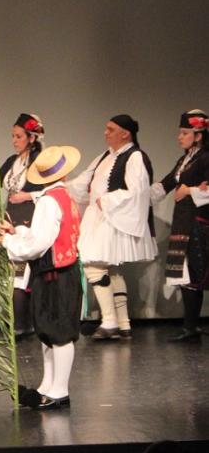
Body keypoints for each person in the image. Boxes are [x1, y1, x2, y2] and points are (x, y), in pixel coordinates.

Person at [0, 145, 83, 410]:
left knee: (59, 332)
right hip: (61, 271)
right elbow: (45, 237)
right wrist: (17, 232)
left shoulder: (48, 201)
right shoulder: (63, 196)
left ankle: (60, 391)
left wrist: (9, 242)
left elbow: (37, 246)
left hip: (54, 274)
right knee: (49, 332)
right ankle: (49, 385)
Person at [67, 115, 156, 340]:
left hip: (113, 217)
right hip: (100, 217)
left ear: (125, 133)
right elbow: (83, 182)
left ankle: (109, 322)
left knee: (93, 266)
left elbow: (137, 191)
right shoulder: (105, 156)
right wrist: (58, 186)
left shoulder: (134, 156)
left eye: (111, 129)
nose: (105, 133)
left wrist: (106, 201)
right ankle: (124, 323)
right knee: (112, 270)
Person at [150, 110, 209, 341]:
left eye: (185, 133)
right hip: (184, 222)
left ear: (198, 135)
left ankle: (191, 328)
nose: (179, 137)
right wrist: (138, 195)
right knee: (186, 274)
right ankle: (190, 327)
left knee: (194, 272)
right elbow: (166, 184)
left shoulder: (206, 157)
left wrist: (189, 190)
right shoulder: (186, 160)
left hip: (198, 222)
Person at [0, 114, 46, 337]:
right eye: (13, 136)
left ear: (31, 138)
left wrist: (27, 195)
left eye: (18, 136)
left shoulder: (39, 161)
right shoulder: (12, 161)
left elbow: (51, 190)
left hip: (30, 220)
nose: (14, 141)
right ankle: (21, 323)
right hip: (12, 218)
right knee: (14, 274)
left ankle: (21, 324)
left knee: (21, 274)